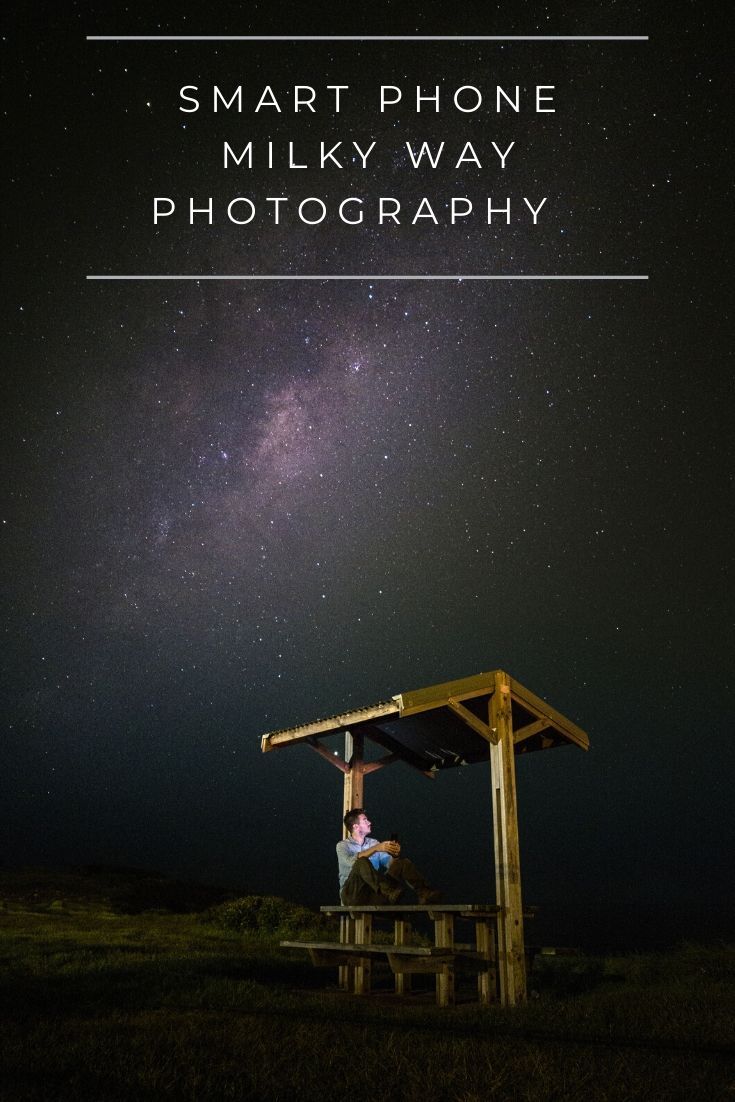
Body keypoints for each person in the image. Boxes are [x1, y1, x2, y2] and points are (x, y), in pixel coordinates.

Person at [336, 807, 441, 905]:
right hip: (353, 895)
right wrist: (376, 849)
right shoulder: (342, 846)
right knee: (361, 862)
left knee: (402, 863)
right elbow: (352, 863)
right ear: (356, 826)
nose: (370, 822)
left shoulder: (374, 843)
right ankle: (388, 891)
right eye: (365, 820)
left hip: (374, 893)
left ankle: (425, 893)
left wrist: (394, 854)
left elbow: (390, 864)